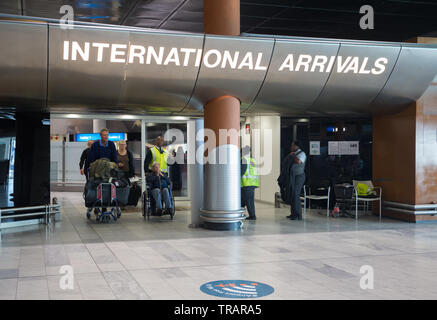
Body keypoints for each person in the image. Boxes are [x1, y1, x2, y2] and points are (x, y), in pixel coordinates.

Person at [287, 140, 306, 220]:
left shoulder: (302, 154)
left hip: (299, 176)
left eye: (292, 145)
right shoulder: (293, 154)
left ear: (297, 146)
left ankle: (298, 215)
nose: (291, 147)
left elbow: (299, 161)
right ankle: (293, 213)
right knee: (292, 194)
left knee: (296, 194)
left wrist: (292, 156)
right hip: (292, 176)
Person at [241, 146, 259, 220]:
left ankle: (252, 216)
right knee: (245, 200)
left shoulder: (244, 160)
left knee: (247, 200)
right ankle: (244, 214)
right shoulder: (252, 160)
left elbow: (241, 172)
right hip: (252, 183)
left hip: (246, 183)